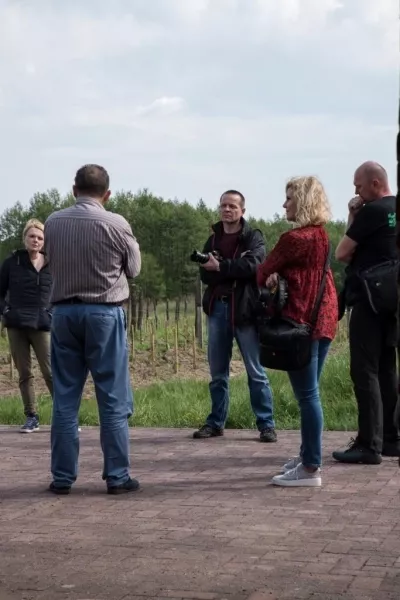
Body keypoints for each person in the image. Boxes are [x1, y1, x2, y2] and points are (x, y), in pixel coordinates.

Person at [44, 164, 141, 495]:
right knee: (112, 397)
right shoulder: (116, 223)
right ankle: (117, 476)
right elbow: (135, 268)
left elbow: (49, 261)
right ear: (107, 194)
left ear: (74, 189)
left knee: (65, 398)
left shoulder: (53, 222)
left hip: (63, 314)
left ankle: (62, 477)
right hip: (104, 313)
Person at [257, 176, 338, 487]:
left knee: (307, 396)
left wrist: (274, 275)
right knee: (311, 393)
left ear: (302, 202)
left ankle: (310, 467)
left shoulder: (294, 239)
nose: (284, 204)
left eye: (289, 198)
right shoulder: (322, 235)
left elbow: (262, 272)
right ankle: (307, 455)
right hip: (324, 318)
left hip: (300, 323)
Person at [192, 190, 276, 442]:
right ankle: (216, 422)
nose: (227, 210)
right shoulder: (213, 239)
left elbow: (254, 266)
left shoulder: (253, 237)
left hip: (245, 310)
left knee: (255, 371)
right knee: (217, 372)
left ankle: (266, 425)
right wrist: (228, 268)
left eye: (232, 206)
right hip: (218, 308)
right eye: (223, 206)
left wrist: (221, 267)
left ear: (242, 211)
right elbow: (205, 274)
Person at [333, 161, 400, 464]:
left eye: (358, 185)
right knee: (387, 369)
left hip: (368, 300)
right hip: (393, 300)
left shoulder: (372, 211)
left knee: (365, 370)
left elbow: (342, 253)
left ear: (375, 183)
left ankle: (368, 444)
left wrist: (352, 215)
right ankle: (391, 439)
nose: (356, 191)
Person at [0, 219, 53, 433]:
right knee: (24, 373)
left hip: (42, 325)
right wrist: (6, 311)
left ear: (44, 241)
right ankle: (31, 416)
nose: (36, 240)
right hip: (17, 325)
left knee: (50, 371)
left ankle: (65, 416)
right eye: (32, 236)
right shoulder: (12, 262)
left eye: (40, 238)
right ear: (25, 238)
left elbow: (61, 291)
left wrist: (52, 313)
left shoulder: (52, 264)